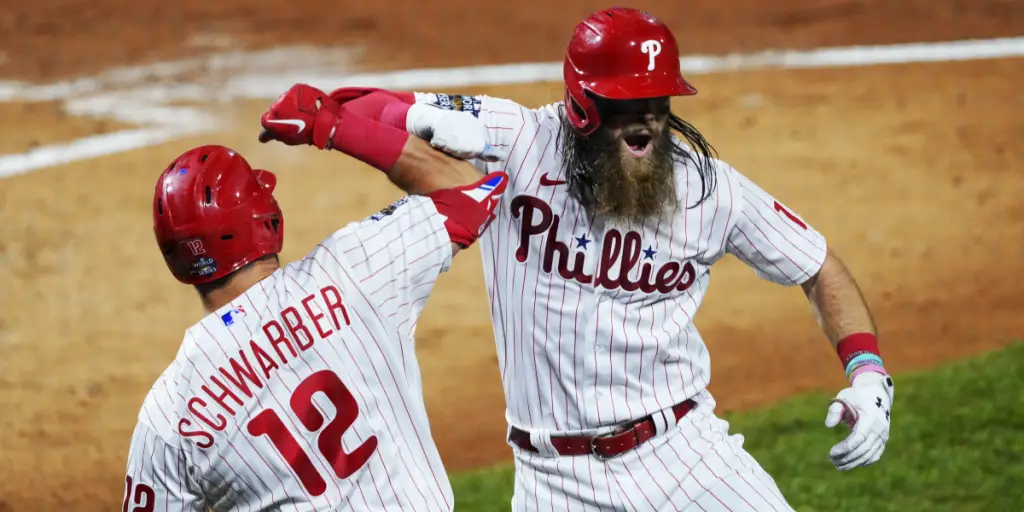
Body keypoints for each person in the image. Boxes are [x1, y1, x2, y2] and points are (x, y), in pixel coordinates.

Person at [265, 7, 896, 510]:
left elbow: (816, 265)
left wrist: (868, 377)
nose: (647, 118)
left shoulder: (710, 189)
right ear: (583, 105)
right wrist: (329, 120)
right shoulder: (518, 141)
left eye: (658, 101)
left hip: (687, 458)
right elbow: (385, 108)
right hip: (553, 484)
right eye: (628, 104)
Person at [121, 86, 509, 511]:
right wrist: (335, 127)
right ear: (265, 218)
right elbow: (472, 188)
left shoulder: (168, 415)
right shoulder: (354, 270)